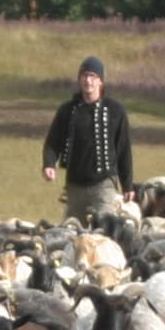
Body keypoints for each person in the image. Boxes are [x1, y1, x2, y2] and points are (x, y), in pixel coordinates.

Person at [40, 56, 133, 222]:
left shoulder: (115, 111)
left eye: (93, 76)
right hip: (75, 185)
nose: (88, 80)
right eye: (84, 76)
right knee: (72, 232)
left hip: (104, 184)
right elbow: (53, 142)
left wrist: (127, 185)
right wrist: (49, 164)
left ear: (100, 81)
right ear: (79, 79)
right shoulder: (68, 110)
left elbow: (124, 149)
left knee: (106, 230)